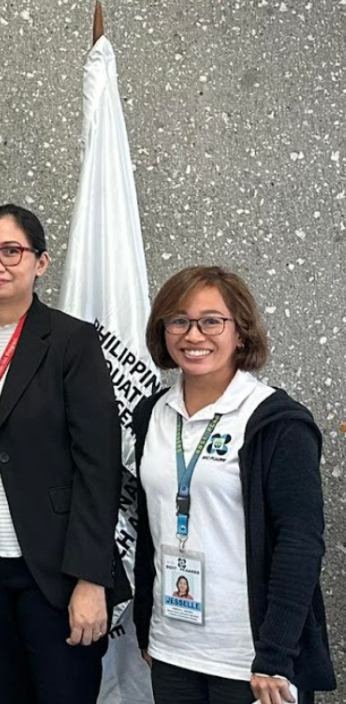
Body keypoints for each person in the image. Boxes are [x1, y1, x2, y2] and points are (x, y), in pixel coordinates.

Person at [0, 204, 124, 704]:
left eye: (11, 251)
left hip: (52, 570)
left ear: (40, 262)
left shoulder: (71, 342)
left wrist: (89, 578)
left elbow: (98, 467)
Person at [131, 266, 335, 704]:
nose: (193, 334)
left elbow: (299, 543)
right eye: (178, 320)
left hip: (250, 659)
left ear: (240, 332)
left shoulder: (276, 422)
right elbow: (152, 528)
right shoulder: (153, 415)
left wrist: (275, 655)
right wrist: (148, 626)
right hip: (173, 649)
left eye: (211, 320)